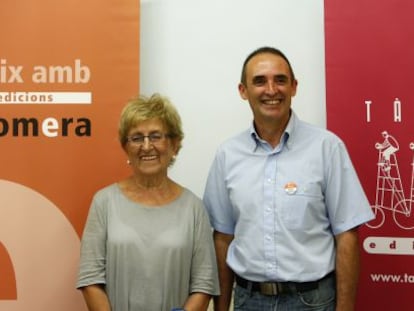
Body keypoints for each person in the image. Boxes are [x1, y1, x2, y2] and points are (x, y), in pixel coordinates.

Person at [203, 47, 374, 311]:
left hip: (313, 301)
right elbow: (222, 238)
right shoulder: (227, 155)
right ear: (243, 91)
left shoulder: (327, 148)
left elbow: (347, 234)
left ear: (294, 87)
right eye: (259, 81)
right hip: (249, 301)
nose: (271, 90)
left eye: (280, 80)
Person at [77, 93, 220, 311]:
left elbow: (204, 284)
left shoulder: (194, 208)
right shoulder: (104, 203)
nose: (146, 146)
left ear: (174, 144)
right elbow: (90, 279)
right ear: (126, 147)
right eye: (136, 138)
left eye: (155, 136)